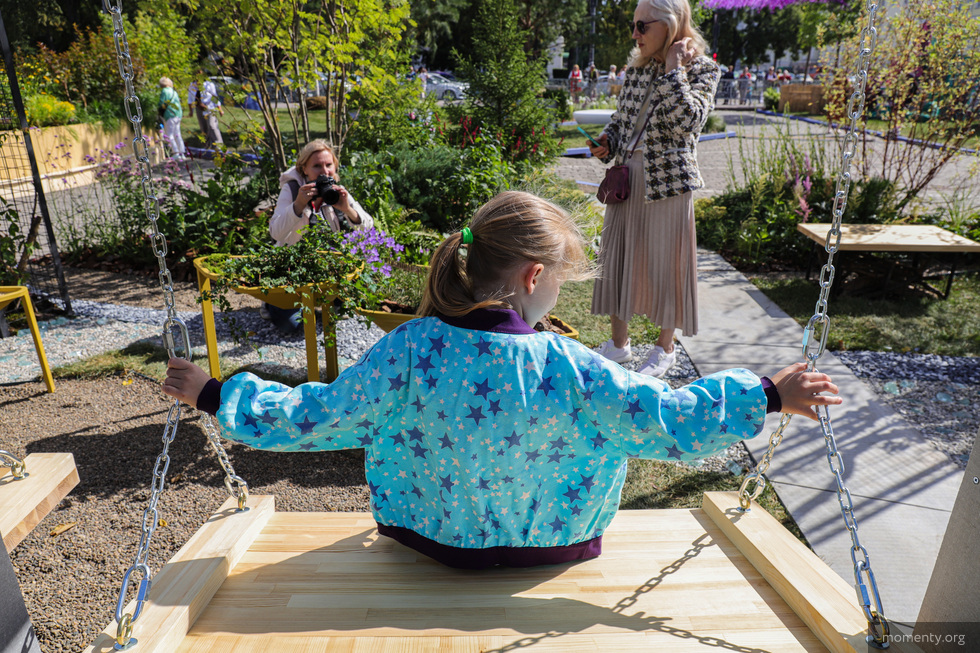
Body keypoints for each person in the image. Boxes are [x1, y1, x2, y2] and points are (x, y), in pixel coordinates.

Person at [163, 190, 842, 570]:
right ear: (534, 278)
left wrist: (218, 391)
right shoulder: (572, 369)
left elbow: (316, 415)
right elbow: (667, 419)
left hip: (430, 538)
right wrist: (767, 394)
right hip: (556, 545)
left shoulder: (410, 350)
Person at [587, 0, 720, 378]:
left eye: (642, 26)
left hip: (669, 182)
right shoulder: (636, 69)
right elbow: (622, 123)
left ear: (671, 24)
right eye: (634, 26)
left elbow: (687, 122)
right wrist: (606, 142)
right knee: (617, 258)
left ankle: (665, 349)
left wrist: (674, 69)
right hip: (627, 176)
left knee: (667, 267)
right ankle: (619, 344)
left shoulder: (702, 69)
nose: (635, 34)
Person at [265, 139, 374, 333]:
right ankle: (273, 303)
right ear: (304, 169)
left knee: (351, 307)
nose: (324, 171)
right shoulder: (291, 190)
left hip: (326, 268)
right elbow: (275, 232)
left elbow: (367, 228)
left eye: (328, 165)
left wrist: (347, 209)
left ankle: (323, 301)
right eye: (317, 166)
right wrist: (298, 205)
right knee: (294, 326)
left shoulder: (336, 191)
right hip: (291, 269)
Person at [188, 71, 224, 149]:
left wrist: (220, 109)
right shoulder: (192, 86)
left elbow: (215, 97)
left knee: (212, 126)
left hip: (210, 108)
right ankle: (207, 146)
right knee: (203, 128)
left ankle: (219, 145)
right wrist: (191, 111)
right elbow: (190, 99)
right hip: (199, 108)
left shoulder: (209, 85)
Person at [157, 77, 186, 161]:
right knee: (177, 133)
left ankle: (175, 152)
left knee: (169, 134)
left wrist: (159, 111)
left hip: (169, 114)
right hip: (178, 114)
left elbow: (162, 103)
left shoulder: (164, 91)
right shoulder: (174, 91)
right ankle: (182, 152)